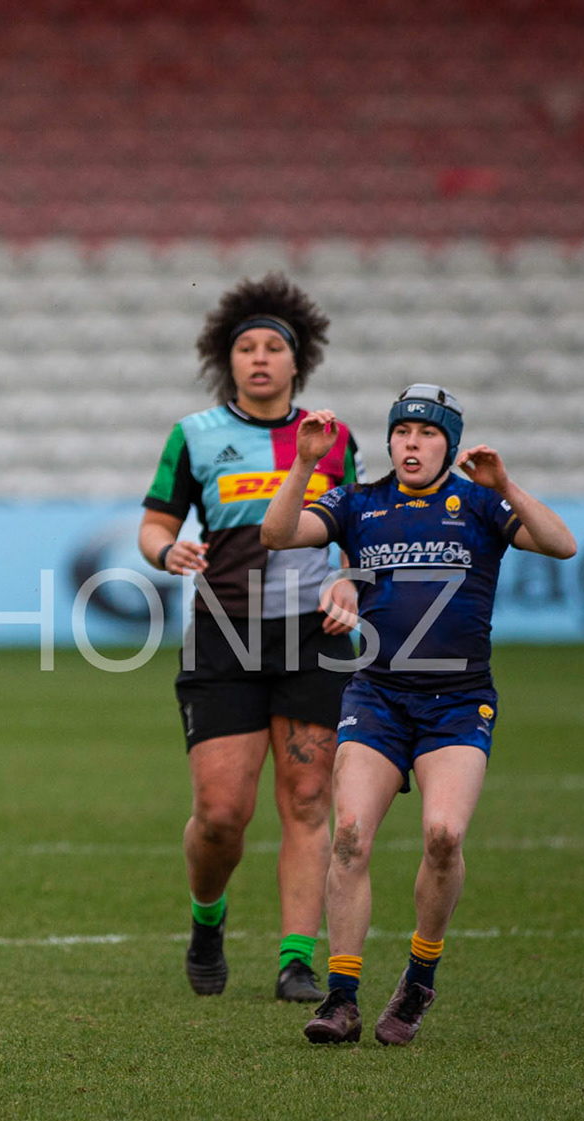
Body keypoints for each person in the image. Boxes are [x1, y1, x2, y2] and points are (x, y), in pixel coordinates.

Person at [261, 386, 577, 1045]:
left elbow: (562, 544)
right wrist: (304, 462)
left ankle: (419, 979)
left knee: (442, 836)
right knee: (350, 834)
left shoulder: (480, 503)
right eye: (402, 431)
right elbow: (277, 534)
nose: (412, 442)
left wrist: (506, 484)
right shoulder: (359, 502)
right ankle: (342, 997)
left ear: (449, 445)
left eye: (428, 433)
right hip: (376, 697)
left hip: (458, 702)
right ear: (389, 441)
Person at [137, 273, 362, 1002]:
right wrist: (165, 550)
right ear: (226, 359)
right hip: (223, 636)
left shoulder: (334, 439)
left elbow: (356, 535)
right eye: (246, 348)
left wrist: (349, 581)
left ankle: (297, 959)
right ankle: (207, 919)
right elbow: (155, 524)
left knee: (308, 799)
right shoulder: (194, 435)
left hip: (312, 638)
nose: (260, 358)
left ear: (299, 360)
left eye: (273, 347)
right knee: (221, 816)